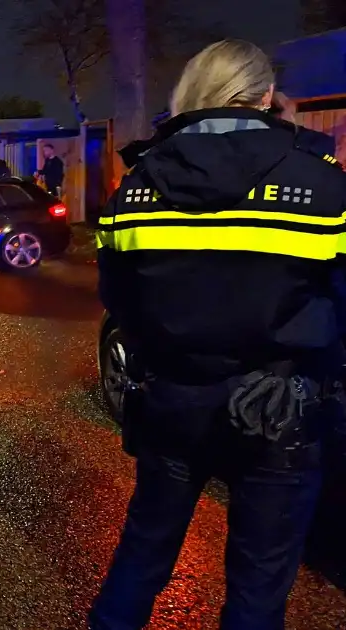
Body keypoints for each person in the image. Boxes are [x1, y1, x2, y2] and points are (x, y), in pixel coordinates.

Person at [90, 39, 346, 629]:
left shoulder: (135, 186)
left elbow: (118, 297)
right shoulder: (321, 183)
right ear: (264, 96)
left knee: (142, 554)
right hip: (281, 410)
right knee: (257, 588)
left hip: (171, 399)